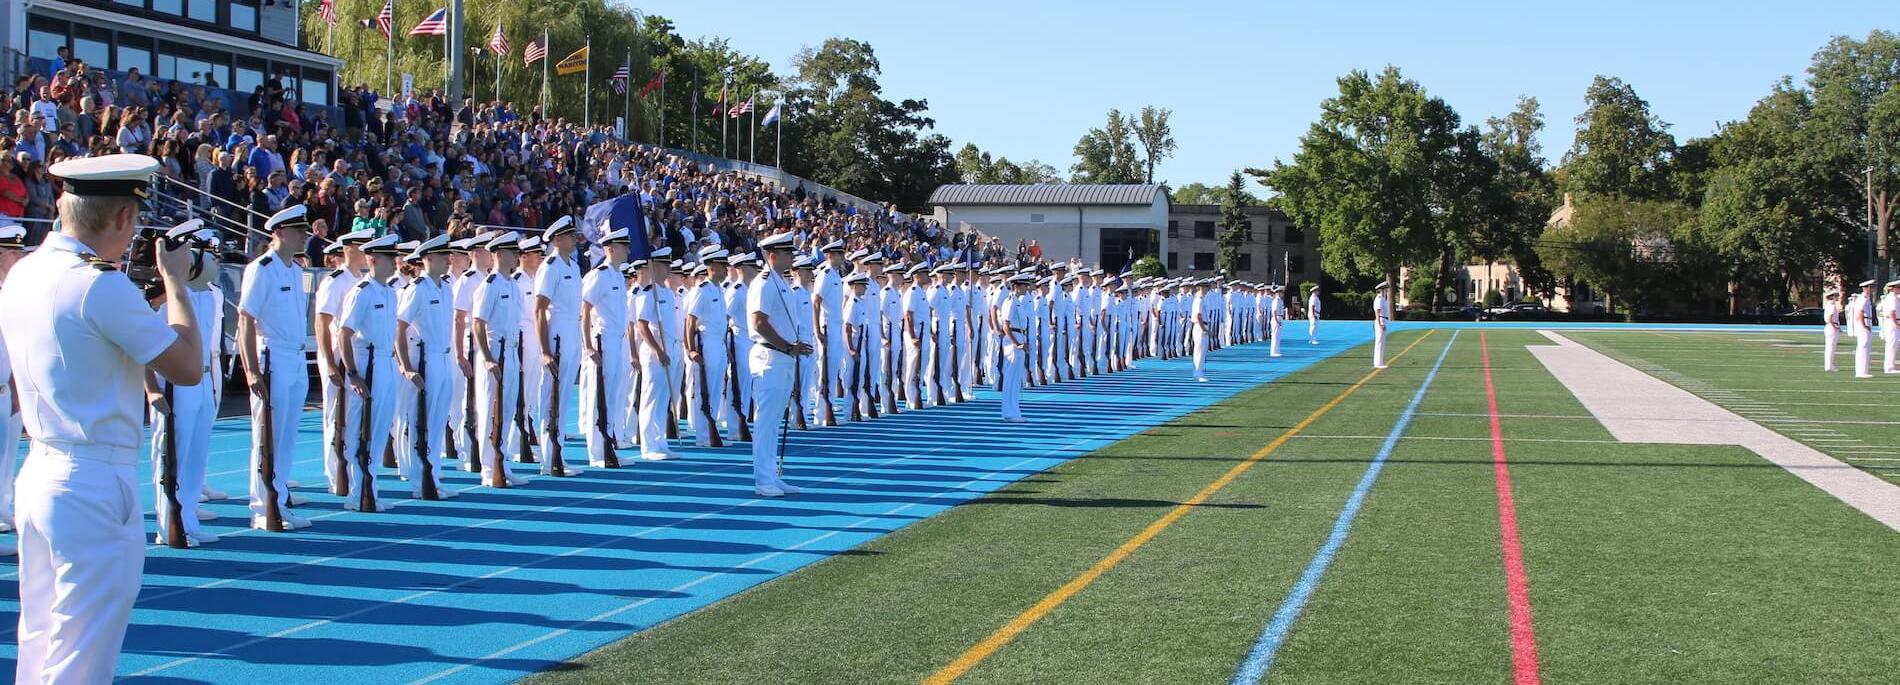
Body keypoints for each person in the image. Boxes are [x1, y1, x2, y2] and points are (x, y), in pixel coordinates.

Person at [1, 154, 204, 682]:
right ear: (121, 218)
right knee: (82, 655)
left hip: (40, 466)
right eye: (134, 220)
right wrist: (177, 285)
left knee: (41, 641)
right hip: (92, 478)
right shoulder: (98, 284)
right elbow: (187, 366)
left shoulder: (23, 272)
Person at [148, 220, 223, 548]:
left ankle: (187, 517)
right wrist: (151, 389)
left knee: (195, 453)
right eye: (204, 252)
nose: (211, 260)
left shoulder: (209, 293)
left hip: (203, 378)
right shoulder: (163, 296)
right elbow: (143, 347)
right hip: (174, 383)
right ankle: (169, 523)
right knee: (171, 454)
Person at [239, 204, 314, 530]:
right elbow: (246, 319)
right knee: (267, 433)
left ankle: (278, 499)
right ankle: (262, 506)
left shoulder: (295, 270)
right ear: (279, 232)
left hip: (295, 357)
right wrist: (251, 370)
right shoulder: (263, 268)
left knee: (286, 434)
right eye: (298, 231)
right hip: (273, 357)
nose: (304, 236)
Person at [747, 232, 814, 497]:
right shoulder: (763, 283)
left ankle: (772, 475)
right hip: (770, 357)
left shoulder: (781, 282)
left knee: (774, 421)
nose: (791, 258)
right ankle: (763, 479)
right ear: (773, 255)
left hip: (783, 357)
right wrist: (787, 346)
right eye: (788, 253)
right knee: (765, 421)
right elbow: (759, 323)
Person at [338, 235, 402, 511]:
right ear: (373, 259)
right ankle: (357, 491)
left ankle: (370, 485)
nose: (394, 263)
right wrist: (352, 372)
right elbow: (345, 332)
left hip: (387, 363)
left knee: (379, 428)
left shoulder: (390, 292)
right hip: (367, 363)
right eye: (389, 258)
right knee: (359, 429)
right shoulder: (362, 291)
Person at [397, 234, 456, 499]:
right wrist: (406, 366)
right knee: (420, 420)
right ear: (428, 258)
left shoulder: (446, 287)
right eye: (443, 256)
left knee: (437, 420)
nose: (448, 260)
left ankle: (433, 474)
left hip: (444, 357)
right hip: (426, 358)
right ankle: (418, 478)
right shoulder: (417, 288)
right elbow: (399, 326)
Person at [471, 233, 528, 487]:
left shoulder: (512, 284)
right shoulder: (490, 285)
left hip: (511, 351)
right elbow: (478, 323)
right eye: (512, 251)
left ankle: (502, 462)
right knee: (489, 411)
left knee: (506, 410)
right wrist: (488, 358)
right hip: (494, 353)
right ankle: (488, 466)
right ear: (499, 254)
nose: (517, 255)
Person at [533, 217, 582, 476]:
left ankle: (558, 453)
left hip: (572, 332)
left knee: (562, 399)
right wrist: (544, 350)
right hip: (557, 336)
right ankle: (548, 458)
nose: (575, 239)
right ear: (557, 239)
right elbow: (539, 309)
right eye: (570, 235)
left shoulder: (572, 266)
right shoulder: (550, 267)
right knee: (551, 398)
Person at [580, 228, 630, 467]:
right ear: (611, 249)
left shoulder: (618, 275)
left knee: (614, 396)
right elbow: (585, 309)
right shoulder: (599, 275)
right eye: (624, 246)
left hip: (618, 341)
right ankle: (597, 453)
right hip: (603, 340)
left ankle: (609, 444)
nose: (628, 250)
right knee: (598, 397)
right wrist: (588, 345)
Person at [631, 249, 676, 461]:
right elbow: (641, 325)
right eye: (664, 265)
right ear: (654, 266)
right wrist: (658, 350)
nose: (667, 269)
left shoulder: (666, 292)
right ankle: (648, 446)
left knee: (662, 399)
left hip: (670, 350)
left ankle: (660, 441)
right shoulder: (648, 293)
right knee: (650, 398)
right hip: (654, 353)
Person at [684, 248, 730, 446]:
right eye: (722, 267)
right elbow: (690, 321)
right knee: (705, 389)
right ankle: (703, 435)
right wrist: (690, 349)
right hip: (707, 342)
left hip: (718, 343)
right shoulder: (702, 290)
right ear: (712, 267)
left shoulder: (719, 289)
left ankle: (711, 431)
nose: (726, 270)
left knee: (716, 388)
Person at [0, 222, 27, 539]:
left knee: (6, 456)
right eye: (11, 254)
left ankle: (3, 509)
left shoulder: (14, 294)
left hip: (9, 388)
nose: (17, 261)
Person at [999, 273, 1033, 423]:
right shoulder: (1010, 301)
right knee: (1011, 378)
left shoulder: (1017, 302)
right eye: (1025, 285)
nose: (1027, 288)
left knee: (1016, 378)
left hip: (1019, 336)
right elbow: (1006, 326)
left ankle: (1013, 410)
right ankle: (1009, 411)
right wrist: (1016, 343)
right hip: (1013, 339)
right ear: (1017, 286)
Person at [1371, 280, 1391, 369]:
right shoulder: (1379, 298)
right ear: (1381, 289)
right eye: (1385, 289)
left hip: (1384, 319)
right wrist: (1380, 324)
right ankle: (1377, 363)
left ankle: (1380, 362)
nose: (1386, 291)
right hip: (1381, 319)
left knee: (1382, 342)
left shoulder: (1383, 298)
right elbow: (1377, 312)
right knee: (1379, 342)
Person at [1822, 286, 1841, 372]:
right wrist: (1836, 327)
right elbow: (1830, 319)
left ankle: (1830, 365)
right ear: (1832, 296)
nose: (1838, 297)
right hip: (1831, 327)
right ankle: (1829, 366)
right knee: (1831, 348)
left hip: (1830, 327)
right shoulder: (1832, 306)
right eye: (1837, 295)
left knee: (1830, 347)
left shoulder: (1830, 305)